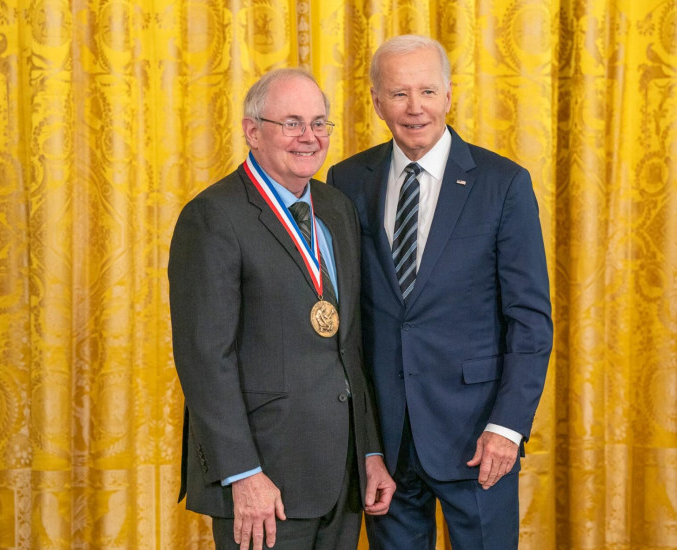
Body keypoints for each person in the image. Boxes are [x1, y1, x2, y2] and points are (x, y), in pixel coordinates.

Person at [326, 35, 553, 549]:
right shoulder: (346, 180)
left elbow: (530, 320)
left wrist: (509, 427)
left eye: (427, 91)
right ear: (376, 100)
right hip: (387, 442)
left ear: (449, 95)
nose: (415, 108)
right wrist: (364, 442)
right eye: (399, 93)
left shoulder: (503, 184)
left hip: (478, 436)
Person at [169, 68, 395, 550]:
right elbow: (205, 359)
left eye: (319, 123)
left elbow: (348, 345)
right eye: (292, 123)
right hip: (264, 483)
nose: (309, 137)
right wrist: (243, 474)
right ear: (253, 131)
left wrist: (369, 450)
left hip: (341, 478)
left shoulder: (336, 208)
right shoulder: (213, 216)